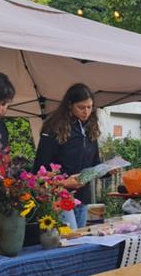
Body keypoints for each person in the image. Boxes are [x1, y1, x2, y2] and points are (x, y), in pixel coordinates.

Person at [34, 84, 101, 229]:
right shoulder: (53, 128)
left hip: (83, 197)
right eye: (81, 107)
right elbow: (39, 170)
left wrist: (106, 170)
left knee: (79, 241)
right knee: (69, 239)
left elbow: (95, 162)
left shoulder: (91, 128)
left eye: (90, 107)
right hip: (60, 197)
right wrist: (64, 182)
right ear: (69, 105)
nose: (86, 112)